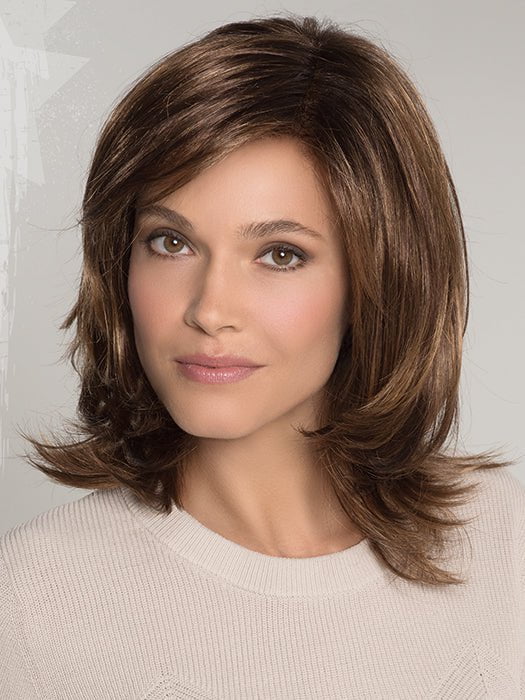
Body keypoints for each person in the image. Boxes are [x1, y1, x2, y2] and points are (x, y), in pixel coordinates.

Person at [1, 12, 524, 699]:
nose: (209, 308)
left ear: (378, 277)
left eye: (280, 254)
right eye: (170, 242)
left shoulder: (506, 545)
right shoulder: (34, 603)